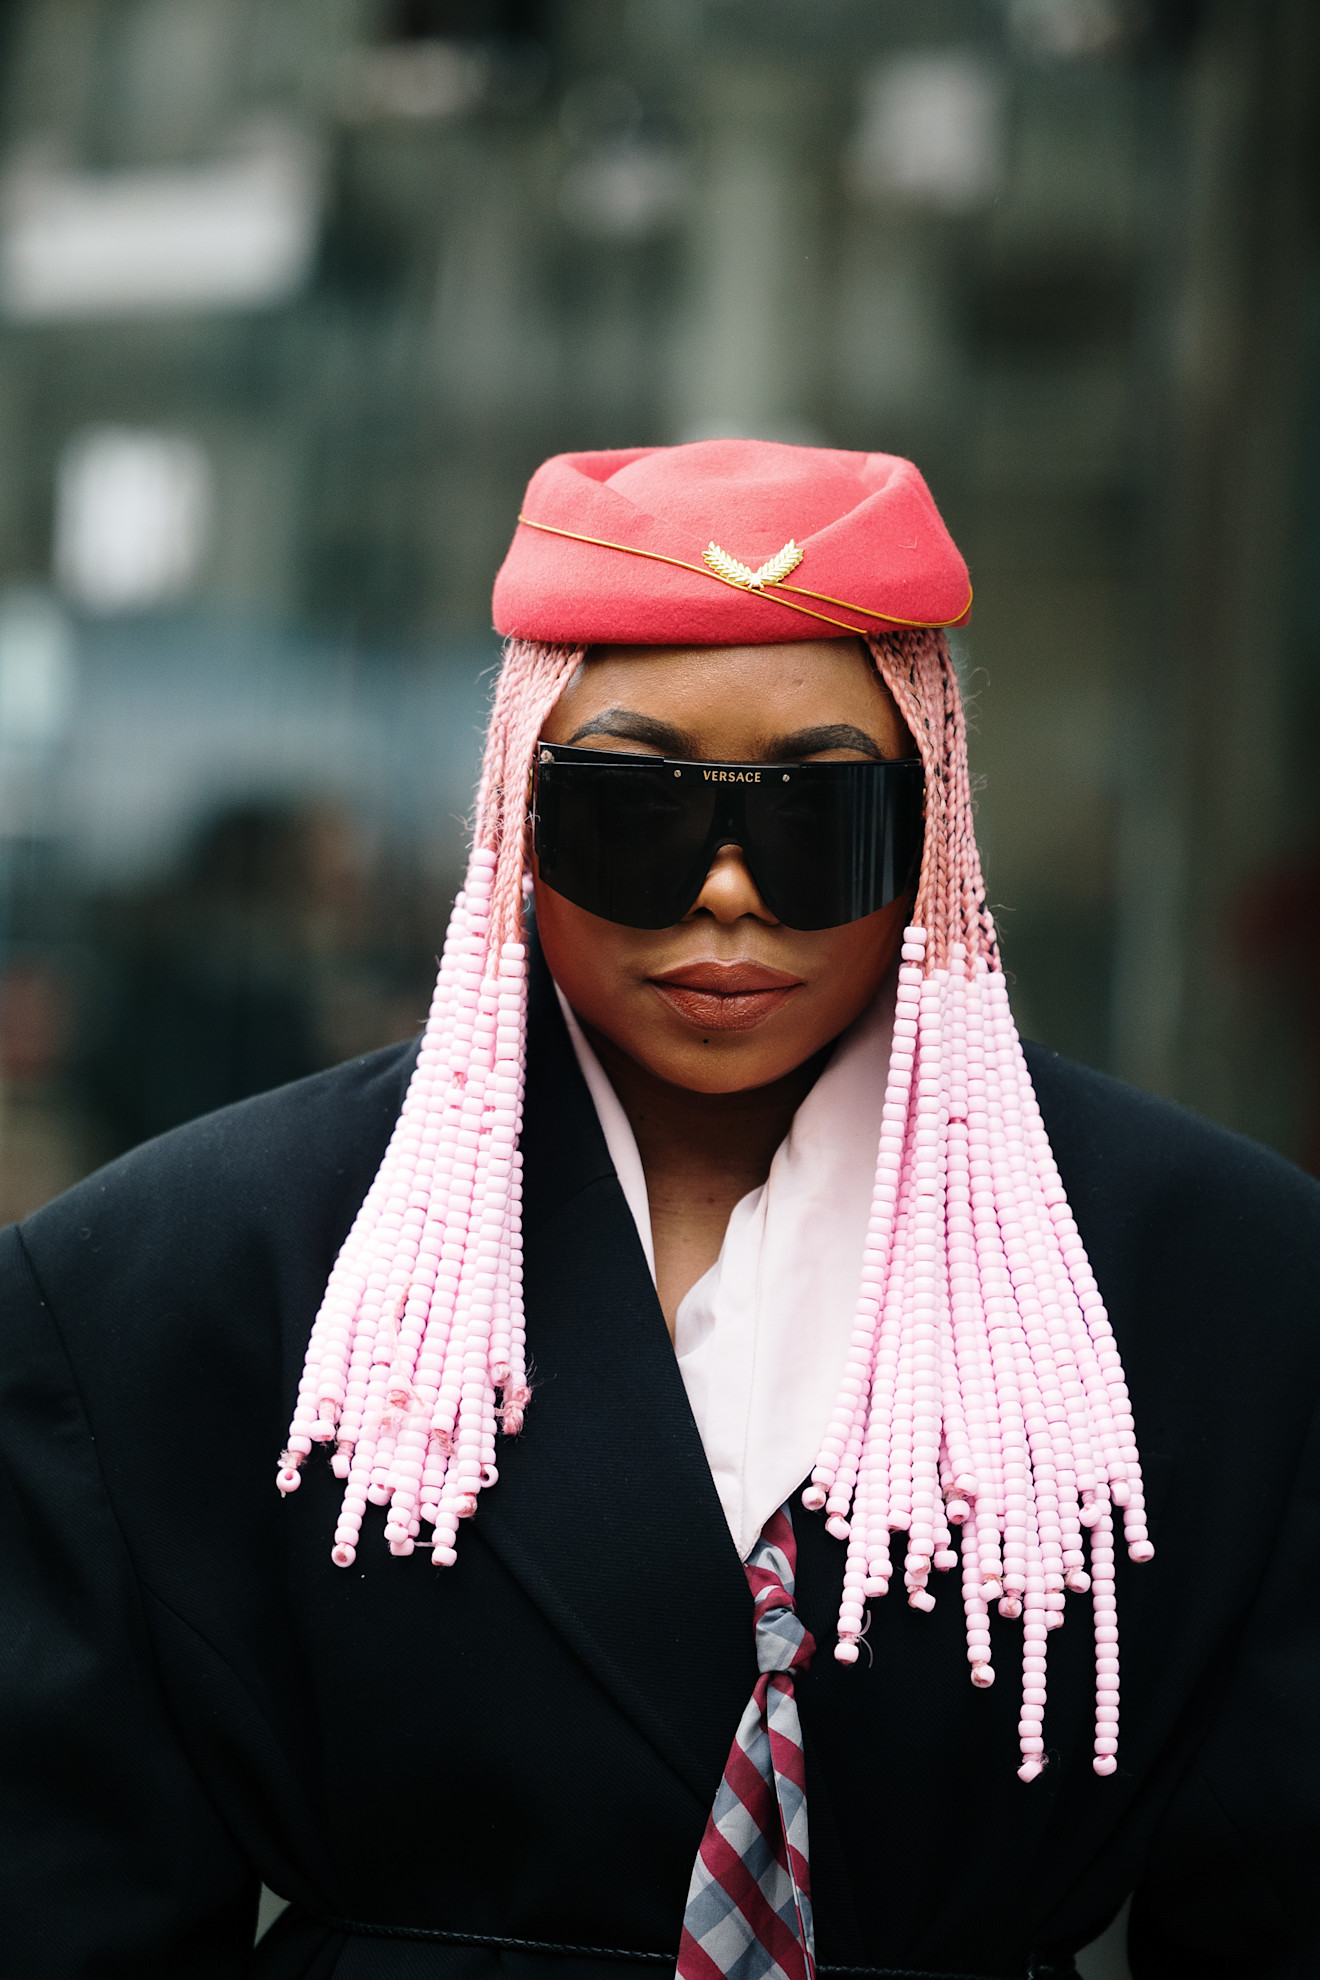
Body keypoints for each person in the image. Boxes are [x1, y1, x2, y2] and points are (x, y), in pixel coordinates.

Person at [0, 441, 1316, 1980]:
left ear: (936, 826)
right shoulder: (172, 1281)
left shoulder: (1225, 1281)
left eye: (819, 816)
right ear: (516, 816)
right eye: (637, 810)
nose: (731, 891)